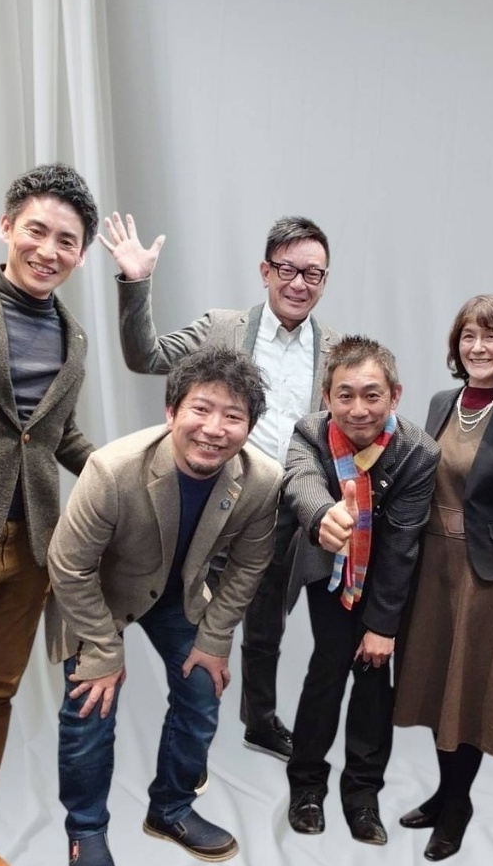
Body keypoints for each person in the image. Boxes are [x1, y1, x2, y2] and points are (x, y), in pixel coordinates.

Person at [100, 212, 339, 763]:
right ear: (265, 270)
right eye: (287, 269)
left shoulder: (334, 349)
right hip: (212, 497)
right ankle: (190, 745)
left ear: (324, 280)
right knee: (189, 615)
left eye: (313, 274)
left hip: (285, 509)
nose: (299, 283)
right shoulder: (222, 327)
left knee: (266, 623)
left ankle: (260, 721)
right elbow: (145, 356)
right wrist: (136, 282)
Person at [46, 346, 283, 866]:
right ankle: (86, 831)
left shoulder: (262, 480)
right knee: (91, 705)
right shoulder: (113, 469)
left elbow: (249, 565)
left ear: (249, 427)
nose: (214, 429)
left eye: (233, 416)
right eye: (201, 409)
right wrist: (104, 650)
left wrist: (215, 639)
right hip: (97, 596)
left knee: (202, 688)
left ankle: (171, 808)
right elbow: (69, 565)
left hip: (178, 593)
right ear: (171, 410)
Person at [0, 163, 98, 866]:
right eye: (37, 230)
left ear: (80, 254)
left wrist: (120, 473)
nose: (49, 249)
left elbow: (55, 435)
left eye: (66, 240)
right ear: (7, 226)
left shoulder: (75, 336)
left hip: (33, 545)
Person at [393, 295, 493, 861]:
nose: (478, 348)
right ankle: (443, 793)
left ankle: (458, 806)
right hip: (430, 564)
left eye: (490, 337)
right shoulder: (443, 401)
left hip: (483, 571)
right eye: (468, 337)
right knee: (437, 684)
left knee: (468, 688)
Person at [283, 335, 439, 846]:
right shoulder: (309, 432)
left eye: (372, 395)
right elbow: (301, 481)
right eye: (344, 395)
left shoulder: (418, 451)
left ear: (395, 395)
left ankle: (363, 798)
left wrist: (382, 626)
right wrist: (323, 515)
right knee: (327, 671)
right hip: (329, 570)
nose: (358, 409)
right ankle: (306, 788)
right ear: (326, 397)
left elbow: (403, 543)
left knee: (374, 678)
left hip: (387, 576)